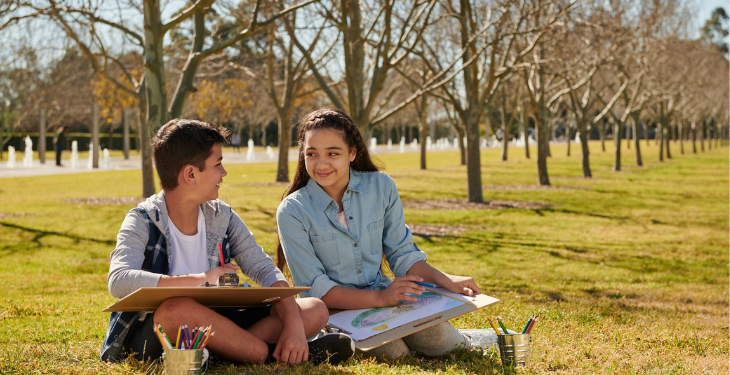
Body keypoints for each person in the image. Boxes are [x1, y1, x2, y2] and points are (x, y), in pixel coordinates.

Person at [101, 119, 354, 366]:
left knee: (314, 309)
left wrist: (295, 327)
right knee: (177, 309)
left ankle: (222, 355)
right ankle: (276, 355)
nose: (223, 173)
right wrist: (202, 279)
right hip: (161, 334)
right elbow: (119, 280)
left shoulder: (221, 216)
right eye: (218, 164)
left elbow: (262, 268)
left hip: (217, 325)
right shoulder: (142, 220)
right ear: (190, 174)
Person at [276, 108, 497, 360]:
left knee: (438, 339)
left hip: (387, 301)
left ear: (352, 153)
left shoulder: (381, 187)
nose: (321, 163)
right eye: (311, 154)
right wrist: (381, 297)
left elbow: (403, 255)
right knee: (394, 353)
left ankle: (469, 339)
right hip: (335, 313)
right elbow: (318, 290)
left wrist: (446, 280)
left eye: (333, 153)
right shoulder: (292, 211)